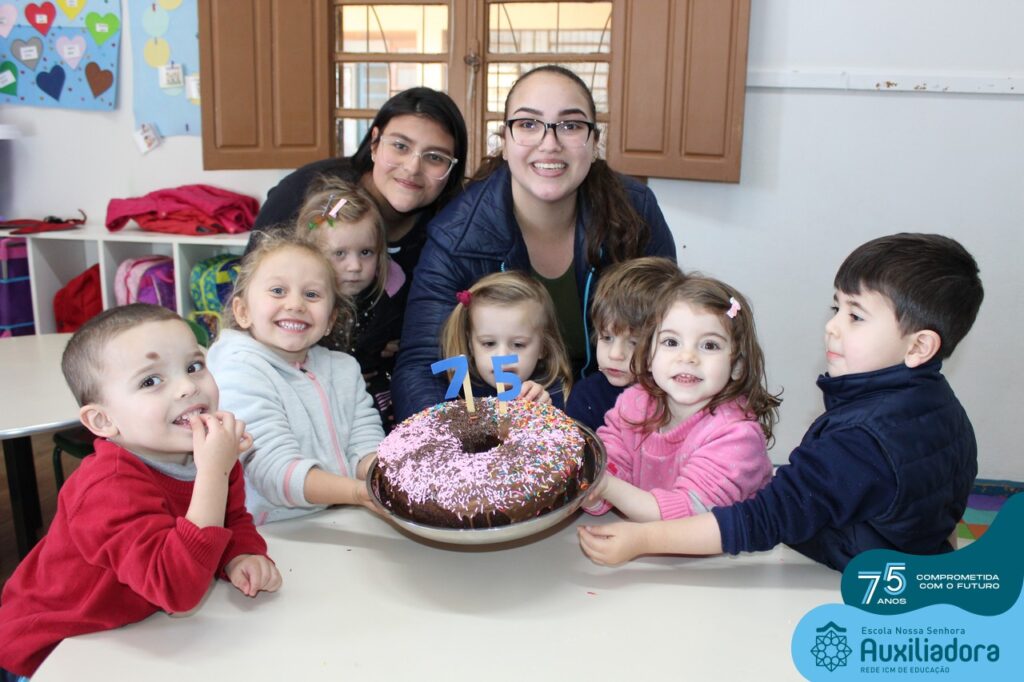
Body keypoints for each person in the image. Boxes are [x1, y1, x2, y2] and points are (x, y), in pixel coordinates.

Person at [579, 233, 984, 571]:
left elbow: (765, 518)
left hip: (850, 590)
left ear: (919, 346)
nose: (831, 326)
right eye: (836, 307)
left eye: (855, 316)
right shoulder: (941, 406)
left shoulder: (862, 440)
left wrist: (643, 539)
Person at [0, 304, 280, 679]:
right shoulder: (108, 488)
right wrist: (214, 470)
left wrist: (241, 554)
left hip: (137, 633)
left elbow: (231, 519)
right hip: (55, 649)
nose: (187, 386)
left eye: (194, 366)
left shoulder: (209, 452)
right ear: (103, 420)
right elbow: (178, 590)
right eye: (151, 381)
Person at [393, 65, 677, 420]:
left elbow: (673, 335)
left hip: (617, 420)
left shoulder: (635, 211)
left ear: (594, 141)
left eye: (571, 126)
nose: (550, 143)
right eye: (528, 124)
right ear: (504, 141)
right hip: (499, 425)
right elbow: (424, 364)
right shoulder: (457, 234)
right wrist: (464, 447)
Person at [206, 233, 384, 525]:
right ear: (243, 311)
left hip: (345, 516)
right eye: (277, 290)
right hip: (270, 532)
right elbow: (273, 472)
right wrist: (357, 492)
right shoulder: (238, 370)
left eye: (312, 294)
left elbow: (366, 443)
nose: (296, 304)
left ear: (330, 320)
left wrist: (385, 476)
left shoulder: (344, 369)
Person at [582, 276, 779, 521]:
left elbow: (687, 519)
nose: (687, 357)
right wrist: (589, 484)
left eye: (709, 345)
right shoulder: (634, 402)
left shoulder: (736, 436)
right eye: (671, 342)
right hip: (651, 545)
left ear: (737, 365)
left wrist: (605, 487)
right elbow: (612, 460)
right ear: (648, 356)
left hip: (729, 557)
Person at [250, 87, 468, 283]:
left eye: (435, 157)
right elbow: (253, 287)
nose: (413, 168)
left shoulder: (454, 228)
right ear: (374, 143)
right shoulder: (307, 193)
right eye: (400, 146)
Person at [297, 179, 405, 432]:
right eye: (339, 254)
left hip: (373, 405)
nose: (355, 266)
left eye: (366, 253)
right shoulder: (298, 305)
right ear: (311, 254)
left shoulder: (392, 294)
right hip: (315, 404)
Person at [566, 257, 685, 431]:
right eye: (606, 338)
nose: (614, 354)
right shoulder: (586, 397)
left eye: (634, 343)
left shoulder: (682, 397)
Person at [439, 271, 573, 410]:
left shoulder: (550, 393)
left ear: (543, 347)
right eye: (489, 343)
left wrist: (545, 412)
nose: (502, 356)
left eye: (518, 344)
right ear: (471, 345)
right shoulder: (459, 387)